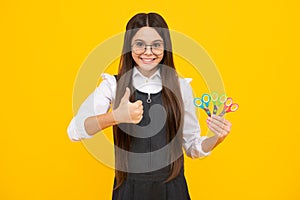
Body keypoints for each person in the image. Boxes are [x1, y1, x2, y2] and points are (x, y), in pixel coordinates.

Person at [67, 12, 232, 200]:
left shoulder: (181, 87)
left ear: (165, 47)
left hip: (173, 192)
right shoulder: (112, 85)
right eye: (139, 44)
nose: (148, 51)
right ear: (129, 47)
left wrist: (217, 138)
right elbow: (74, 131)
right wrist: (115, 117)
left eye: (156, 45)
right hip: (129, 192)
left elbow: (193, 147)